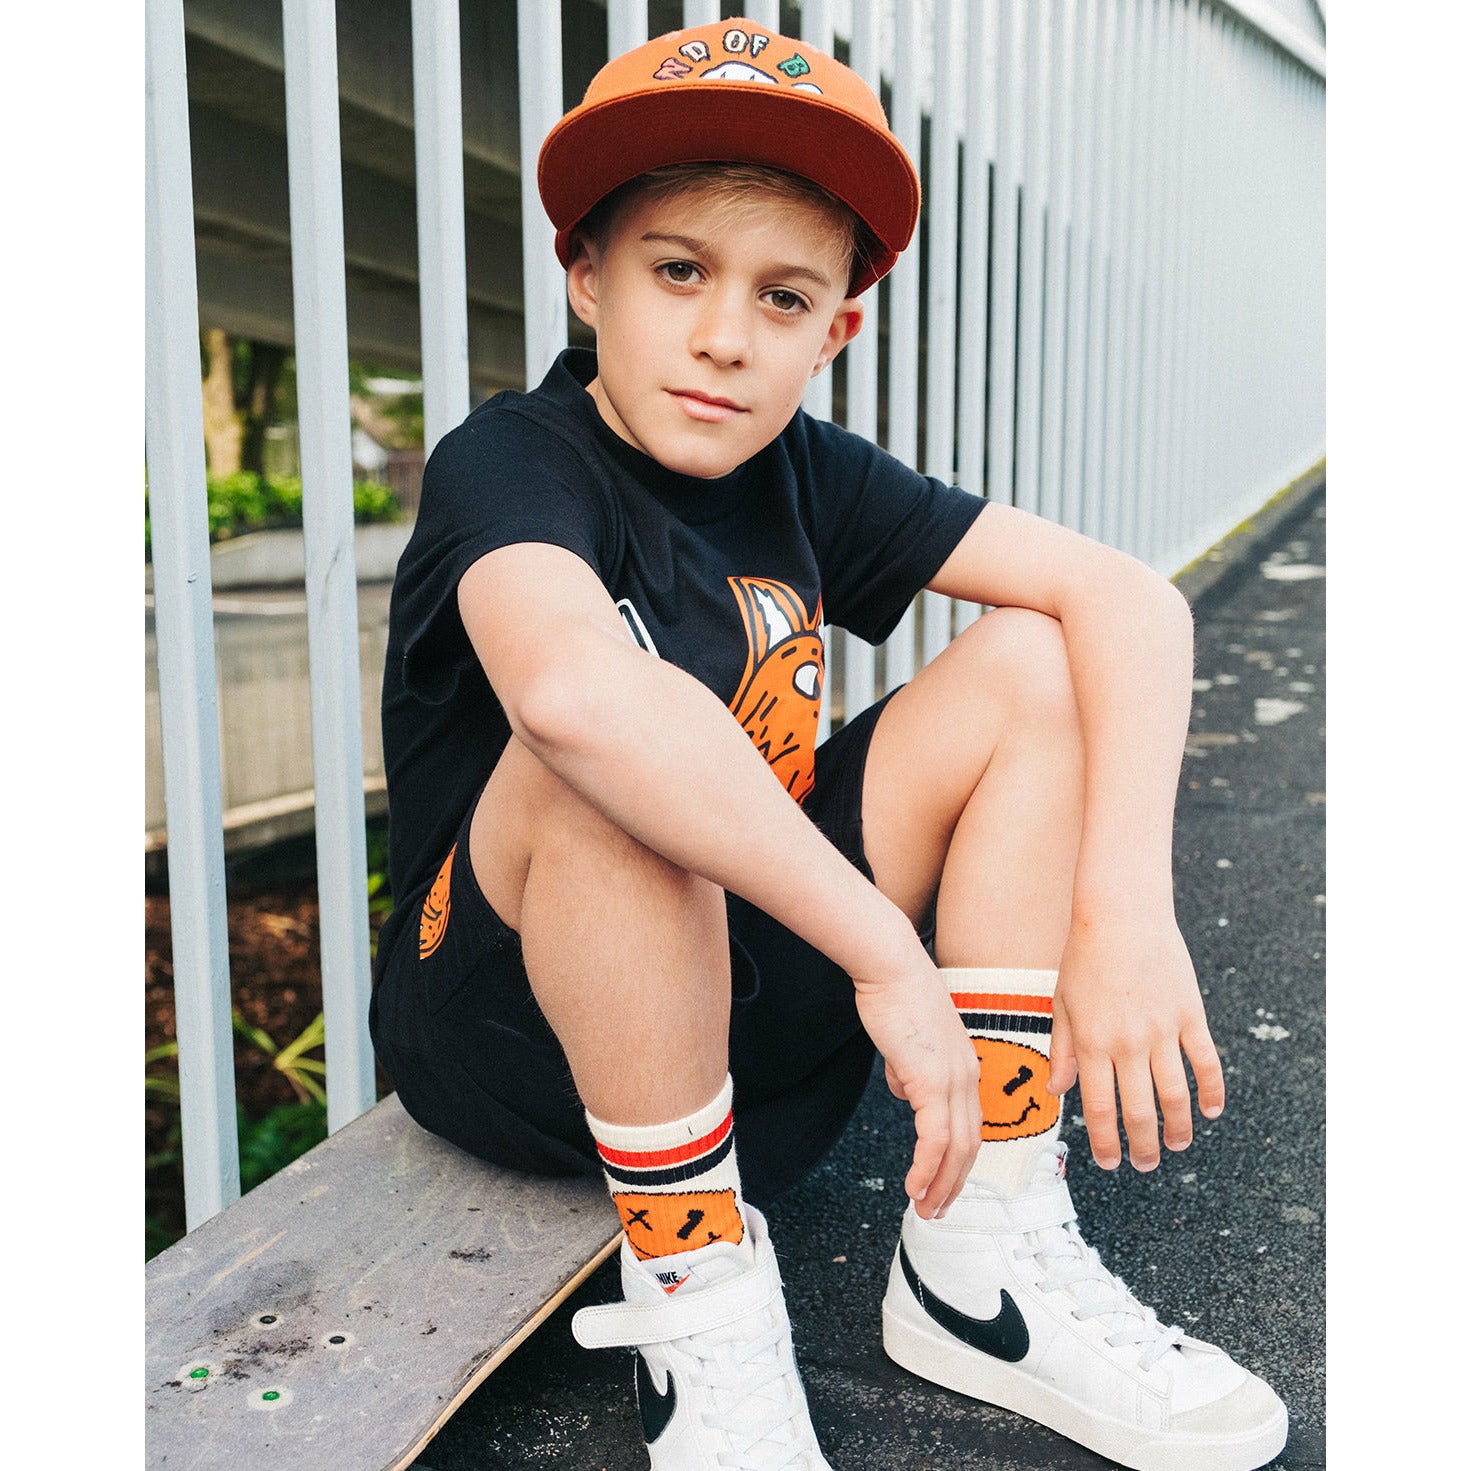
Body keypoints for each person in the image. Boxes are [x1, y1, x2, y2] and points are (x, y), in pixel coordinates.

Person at [369, 17, 1288, 1471]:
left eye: (783, 297)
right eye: (679, 271)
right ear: (586, 274)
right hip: (518, 1045)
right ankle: (704, 1325)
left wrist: (1125, 912)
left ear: (833, 333)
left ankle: (983, 1255)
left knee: (1038, 659)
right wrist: (885, 957)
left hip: (763, 1037)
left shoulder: (798, 464)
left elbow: (1128, 598)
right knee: (611, 759)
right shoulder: (515, 460)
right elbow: (572, 697)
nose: (727, 336)